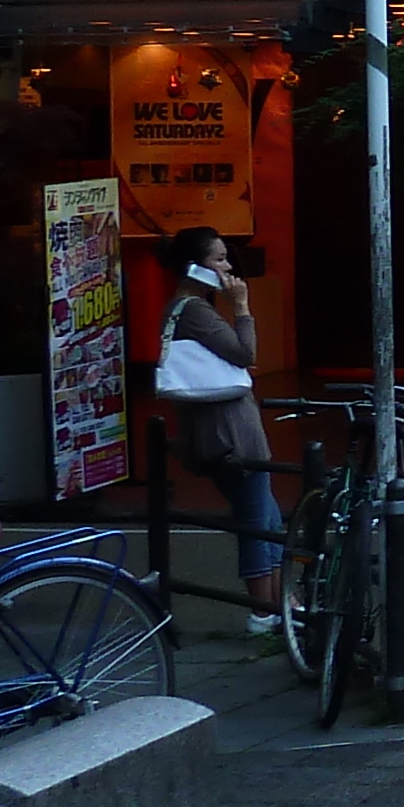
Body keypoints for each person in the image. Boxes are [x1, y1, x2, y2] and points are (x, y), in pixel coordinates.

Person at [157, 226, 282, 615]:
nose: (228, 267)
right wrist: (242, 305)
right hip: (230, 433)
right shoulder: (195, 310)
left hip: (218, 430)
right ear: (196, 267)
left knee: (269, 518)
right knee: (256, 521)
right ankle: (264, 610)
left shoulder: (187, 309)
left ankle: (282, 603)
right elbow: (245, 352)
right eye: (220, 259)